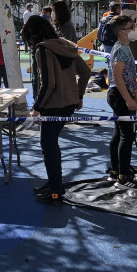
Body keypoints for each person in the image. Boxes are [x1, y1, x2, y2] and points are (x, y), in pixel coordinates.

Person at [29, 20, 91, 205]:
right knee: (51, 144)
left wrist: (37, 107)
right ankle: (54, 182)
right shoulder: (67, 45)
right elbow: (86, 71)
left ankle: (56, 190)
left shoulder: (43, 49)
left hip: (53, 104)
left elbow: (48, 83)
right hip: (69, 102)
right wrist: (79, 94)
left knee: (48, 145)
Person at [106, 15, 137, 188]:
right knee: (128, 134)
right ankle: (123, 174)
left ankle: (116, 168)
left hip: (121, 93)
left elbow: (126, 74)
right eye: (131, 27)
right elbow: (117, 75)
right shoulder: (121, 49)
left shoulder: (123, 47)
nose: (135, 30)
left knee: (119, 132)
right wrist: (128, 99)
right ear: (122, 32)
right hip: (119, 95)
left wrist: (135, 88)